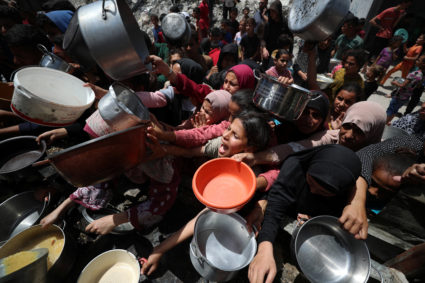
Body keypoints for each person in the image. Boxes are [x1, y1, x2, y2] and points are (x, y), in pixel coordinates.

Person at [248, 145, 362, 283]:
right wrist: (264, 248)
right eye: (310, 182)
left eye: (324, 192)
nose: (313, 191)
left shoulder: (347, 194)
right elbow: (275, 206)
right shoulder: (296, 166)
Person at [385, 54, 425, 124]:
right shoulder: (422, 76)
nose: (416, 60)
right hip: (406, 97)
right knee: (395, 110)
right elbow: (415, 86)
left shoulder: (414, 74)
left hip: (399, 95)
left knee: (390, 109)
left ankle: (383, 123)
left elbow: (402, 85)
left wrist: (394, 82)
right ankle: (389, 122)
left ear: (423, 64)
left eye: (418, 60)